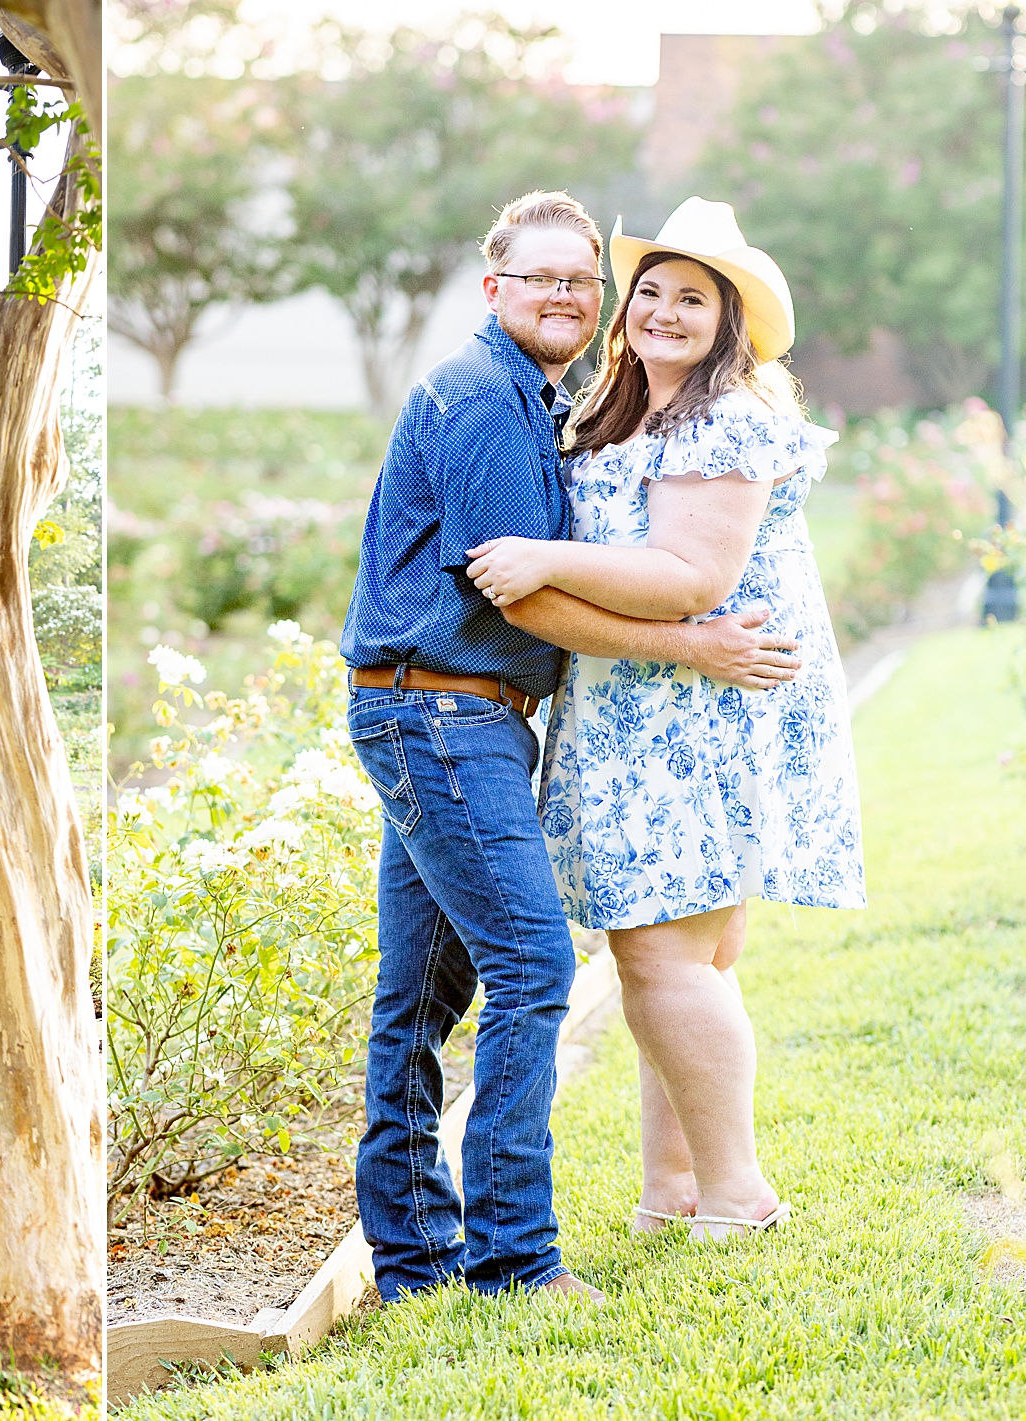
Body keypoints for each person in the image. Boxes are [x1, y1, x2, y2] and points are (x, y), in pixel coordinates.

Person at [340, 191, 803, 1301]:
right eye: (541, 276)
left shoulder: (532, 394)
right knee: (533, 967)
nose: (566, 293)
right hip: (443, 712)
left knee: (417, 995)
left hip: (446, 712)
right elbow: (525, 604)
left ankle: (411, 1260)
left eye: (580, 278)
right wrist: (692, 642)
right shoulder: (489, 404)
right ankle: (512, 1261)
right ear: (493, 288)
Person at [465, 197, 867, 1242]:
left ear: (728, 321)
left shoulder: (725, 416)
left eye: (693, 297)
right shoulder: (617, 410)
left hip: (695, 717)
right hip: (636, 711)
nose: (663, 310)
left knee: (661, 958)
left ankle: (737, 1192)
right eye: (649, 290)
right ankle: (672, 1187)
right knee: (678, 958)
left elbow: (695, 576)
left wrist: (545, 560)